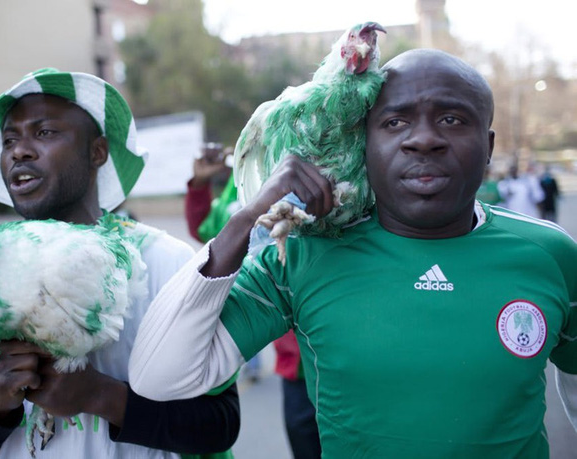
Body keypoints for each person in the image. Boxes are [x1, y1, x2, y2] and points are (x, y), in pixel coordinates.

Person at [128, 49, 577, 458]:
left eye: (453, 120)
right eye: (395, 122)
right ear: (364, 146)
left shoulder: (550, 253)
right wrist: (247, 218)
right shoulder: (300, 259)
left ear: (489, 148)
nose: (423, 140)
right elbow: (158, 378)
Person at [0, 68, 239, 458]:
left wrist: (102, 396)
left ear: (98, 152)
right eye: (9, 140)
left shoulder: (169, 265)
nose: (18, 151)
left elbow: (220, 423)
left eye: (44, 133)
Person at [185, 144, 321, 458]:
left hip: (341, 353)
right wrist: (200, 185)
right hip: (295, 368)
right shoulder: (239, 187)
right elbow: (206, 229)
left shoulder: (318, 174)